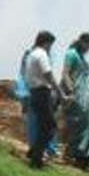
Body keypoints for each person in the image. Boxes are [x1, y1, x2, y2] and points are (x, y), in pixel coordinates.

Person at [61, 33, 89, 170]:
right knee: (79, 125)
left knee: (86, 125)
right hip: (74, 96)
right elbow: (65, 74)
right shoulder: (71, 54)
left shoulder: (81, 57)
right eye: (88, 45)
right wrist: (71, 91)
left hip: (83, 98)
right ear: (82, 42)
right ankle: (75, 155)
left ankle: (84, 157)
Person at [23, 30, 60, 168]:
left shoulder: (31, 55)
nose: (51, 48)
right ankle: (36, 158)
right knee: (50, 127)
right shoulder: (42, 54)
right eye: (50, 44)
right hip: (42, 93)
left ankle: (34, 152)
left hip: (34, 92)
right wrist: (59, 91)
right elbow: (48, 74)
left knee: (43, 126)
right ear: (46, 42)